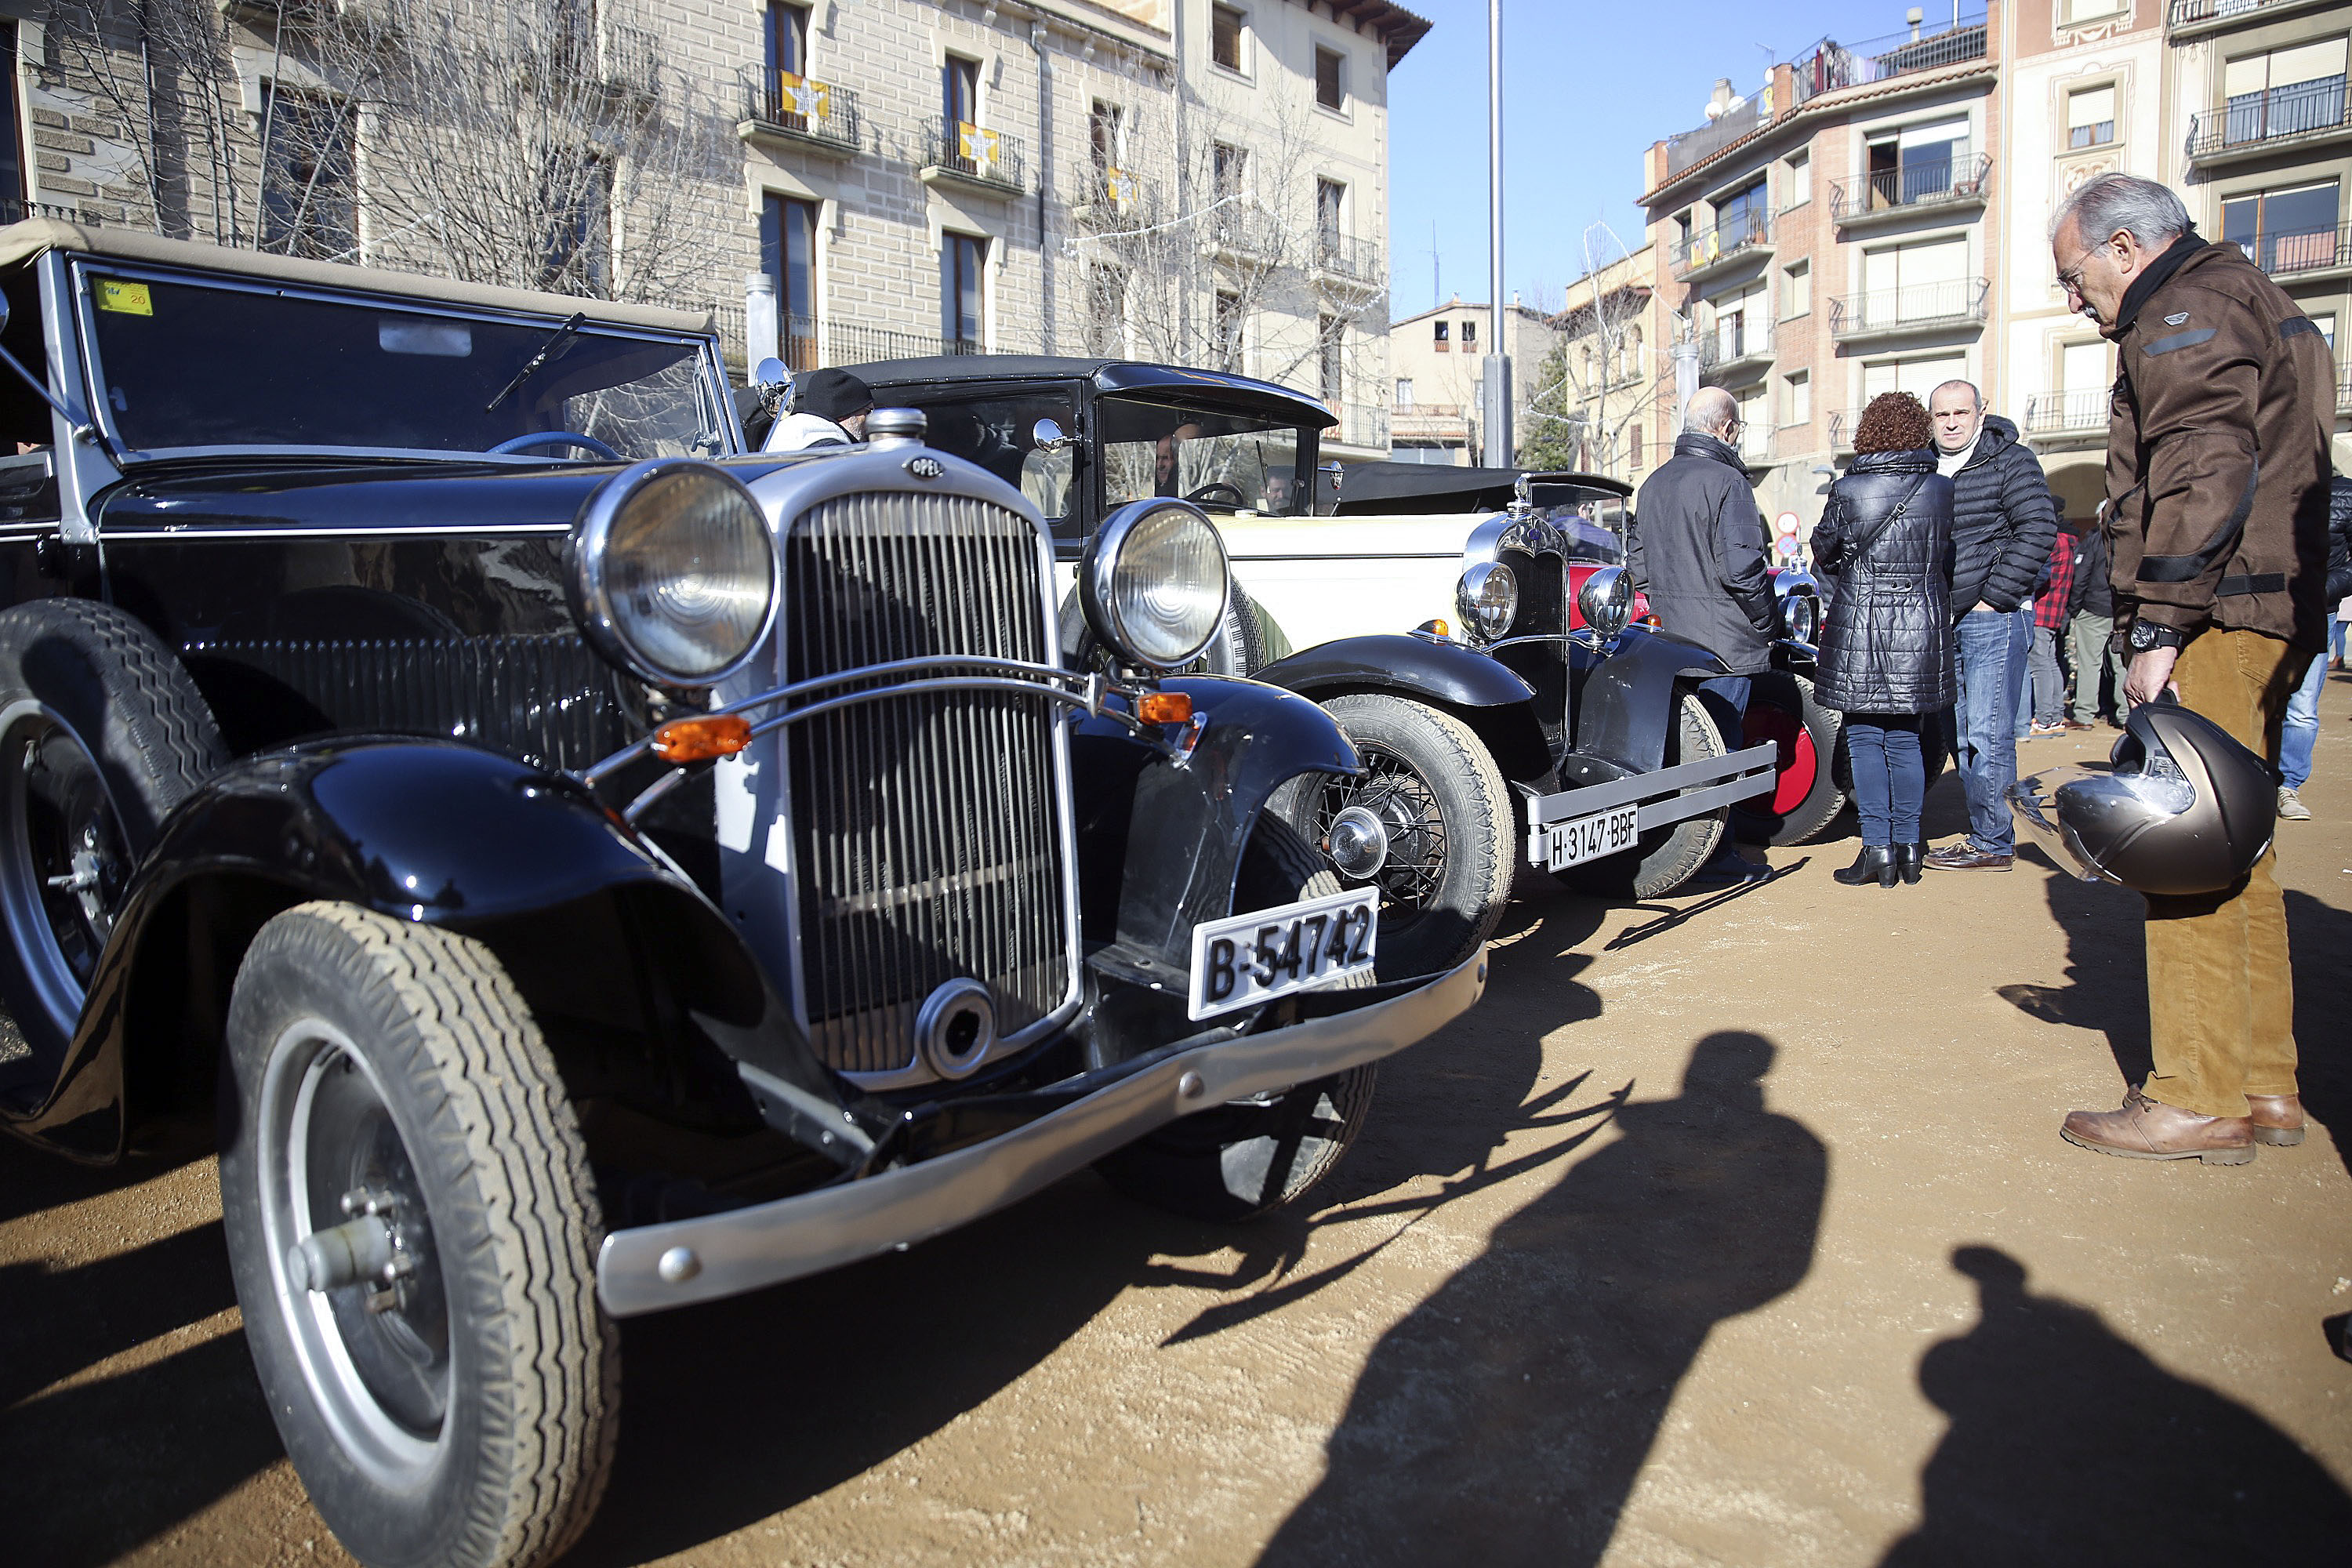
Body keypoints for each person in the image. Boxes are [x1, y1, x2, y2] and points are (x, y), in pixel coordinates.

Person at [2047, 172, 2332, 1163]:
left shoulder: (2184, 306)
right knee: (2239, 847)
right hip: (2265, 604)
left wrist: (2161, 619)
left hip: (2215, 609)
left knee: (2183, 848)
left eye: (2076, 277)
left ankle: (2195, 1094)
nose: (2073, 300)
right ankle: (2262, 1080)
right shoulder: (2255, 294)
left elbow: (2205, 464)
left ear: (2127, 248)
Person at [1628, 386, 1781, 887]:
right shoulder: (1728, 481)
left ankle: (1688, 850)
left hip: (1672, 642)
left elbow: (1639, 569)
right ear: (1727, 428)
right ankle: (1717, 857)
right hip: (1726, 642)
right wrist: (1766, 620)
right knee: (1725, 747)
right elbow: (1743, 569)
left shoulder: (1652, 485)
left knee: (1685, 748)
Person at [1809, 392, 1955, 887]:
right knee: (1907, 737)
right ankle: (1910, 846)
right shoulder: (1940, 489)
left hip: (1863, 623)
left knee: (1866, 737)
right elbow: (1947, 559)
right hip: (1921, 626)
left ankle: (1877, 850)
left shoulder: (1849, 490)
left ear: (1867, 432)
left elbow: (1824, 551)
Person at [1922, 380, 2058, 871]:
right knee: (1958, 731)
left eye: (1962, 412)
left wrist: (1995, 597)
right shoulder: (1924, 465)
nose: (1953, 422)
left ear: (1982, 413)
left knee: (1988, 732)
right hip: (1942, 617)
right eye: (1943, 415)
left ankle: (1993, 842)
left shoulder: (2011, 460)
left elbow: (2040, 529)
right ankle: (1987, 828)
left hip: (1992, 619)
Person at [2277, 476, 2352, 819]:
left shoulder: (2345, 494)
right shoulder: (2266, 478)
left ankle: (2287, 786)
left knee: (2302, 705)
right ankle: (2248, 781)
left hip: (2318, 611)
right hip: (2260, 608)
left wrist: (2321, 592)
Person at [2065, 516, 2125, 728]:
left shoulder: (2095, 540)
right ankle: (2127, 715)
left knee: (2090, 663)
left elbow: (2081, 575)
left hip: (2094, 610)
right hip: (2123, 610)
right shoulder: (2131, 538)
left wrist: (2074, 608)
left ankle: (2084, 714)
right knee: (2122, 664)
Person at [2027, 528, 2074, 737]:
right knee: (2050, 662)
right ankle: (2054, 716)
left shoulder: (2052, 543)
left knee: (2039, 666)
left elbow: (2037, 573)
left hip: (2043, 610)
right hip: (2055, 611)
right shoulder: (2067, 543)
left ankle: (2045, 719)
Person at [764, 366, 873, 452]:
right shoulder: (834, 453)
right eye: (868, 412)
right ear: (842, 414)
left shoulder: (778, 442)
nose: (871, 419)